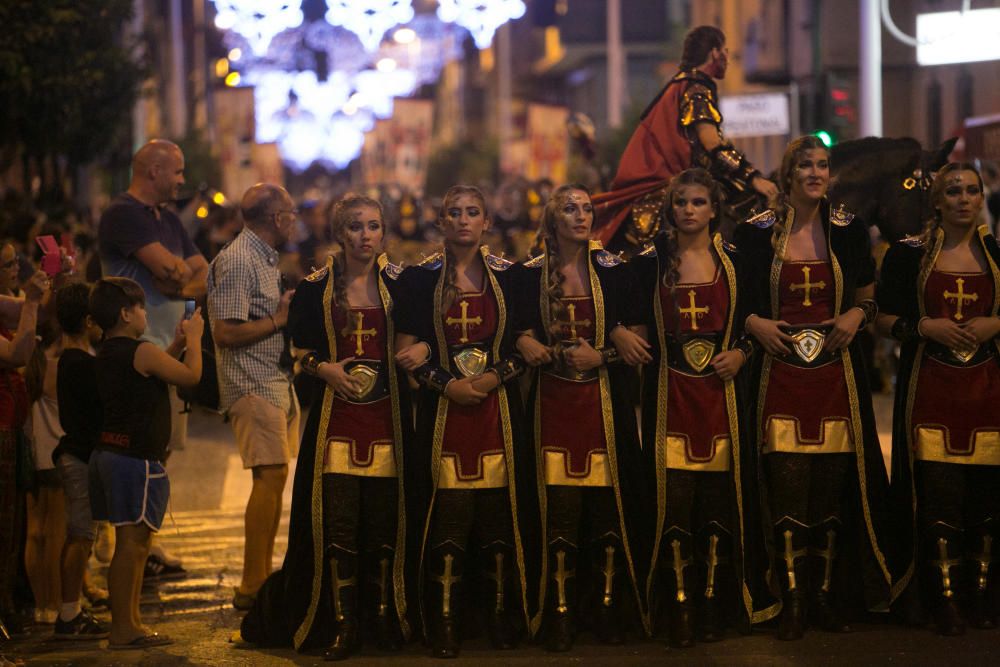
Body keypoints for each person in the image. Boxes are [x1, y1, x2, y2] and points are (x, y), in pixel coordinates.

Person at [734, 135, 903, 640]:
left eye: (822, 165)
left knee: (830, 494)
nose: (814, 173)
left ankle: (825, 596)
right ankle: (790, 599)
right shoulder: (754, 234)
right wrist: (754, 322)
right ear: (787, 175)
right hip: (777, 374)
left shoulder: (849, 231)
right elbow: (735, 299)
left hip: (835, 376)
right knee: (786, 490)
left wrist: (856, 312)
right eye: (804, 165)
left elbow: (869, 298)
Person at [240, 196, 413, 660]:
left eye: (373, 226)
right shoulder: (315, 288)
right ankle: (342, 624)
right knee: (337, 528)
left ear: (383, 232)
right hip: (337, 421)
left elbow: (422, 342)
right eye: (355, 226)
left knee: (383, 525)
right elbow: (298, 350)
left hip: (389, 420)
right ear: (340, 232)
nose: (365, 235)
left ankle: (382, 620)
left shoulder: (403, 284)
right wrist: (325, 370)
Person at [630, 168, 776, 647]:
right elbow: (621, 313)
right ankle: (679, 606)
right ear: (671, 210)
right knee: (674, 503)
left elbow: (757, 323)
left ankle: (715, 602)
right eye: (681, 203)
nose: (689, 210)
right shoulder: (649, 262)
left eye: (697, 202)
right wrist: (616, 334)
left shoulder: (738, 263)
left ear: (714, 209)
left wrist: (742, 353)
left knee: (718, 504)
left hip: (722, 397)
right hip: (669, 395)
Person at [393, 185, 539, 658]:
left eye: (472, 213)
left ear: (486, 223)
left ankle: (499, 615)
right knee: (447, 518)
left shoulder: (512, 278)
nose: (462, 220)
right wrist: (444, 382)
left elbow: (525, 347)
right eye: (453, 212)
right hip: (443, 414)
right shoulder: (419, 280)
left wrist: (497, 376)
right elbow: (407, 352)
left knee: (498, 517)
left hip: (498, 412)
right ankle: (445, 620)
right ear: (441, 221)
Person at [514, 184, 650, 651]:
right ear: (552, 219)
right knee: (559, 515)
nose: (581, 216)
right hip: (549, 411)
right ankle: (559, 611)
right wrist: (522, 341)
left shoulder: (615, 272)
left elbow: (638, 344)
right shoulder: (526, 275)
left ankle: (608, 609)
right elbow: (512, 333)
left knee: (606, 513)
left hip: (604, 411)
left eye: (587, 209)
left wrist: (605, 354)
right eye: (570, 209)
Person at [876, 163, 1000, 635]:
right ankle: (942, 598)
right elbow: (883, 319)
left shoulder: (996, 253)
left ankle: (983, 593)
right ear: (937, 201)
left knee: (987, 500)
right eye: (954, 191)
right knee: (938, 497)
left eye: (972, 190)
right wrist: (923, 326)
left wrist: (997, 322)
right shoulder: (909, 256)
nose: (964, 199)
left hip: (989, 391)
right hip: (930, 390)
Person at [98, 139, 207, 578]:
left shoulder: (169, 220)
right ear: (154, 171)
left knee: (161, 453)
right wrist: (179, 275)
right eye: (177, 172)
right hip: (134, 356)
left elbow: (200, 273)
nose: (182, 181)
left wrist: (178, 283)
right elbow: (173, 270)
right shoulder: (124, 215)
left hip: (169, 350)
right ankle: (117, 548)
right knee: (133, 454)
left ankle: (147, 545)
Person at [88, 277, 202, 648]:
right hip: (134, 458)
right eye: (139, 308)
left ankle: (131, 622)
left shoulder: (110, 350)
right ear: (125, 313)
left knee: (134, 543)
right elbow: (191, 376)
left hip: (112, 454)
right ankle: (123, 628)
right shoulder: (141, 350)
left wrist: (178, 344)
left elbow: (152, 370)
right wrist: (197, 340)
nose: (144, 314)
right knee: (131, 544)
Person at [593, 25, 778, 250]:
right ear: (714, 53)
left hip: (666, 180)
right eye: (725, 50)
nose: (727, 57)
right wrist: (753, 177)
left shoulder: (680, 85)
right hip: (672, 180)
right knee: (751, 210)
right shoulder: (697, 89)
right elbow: (712, 144)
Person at [207, 184, 299, 611]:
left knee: (275, 477)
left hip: (273, 380)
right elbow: (225, 332)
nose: (295, 219)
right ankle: (251, 581)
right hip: (251, 382)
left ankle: (261, 574)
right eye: (290, 213)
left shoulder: (262, 256)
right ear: (276, 218)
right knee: (268, 476)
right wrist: (279, 320)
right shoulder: (239, 259)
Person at [52, 282, 110, 639]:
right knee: (79, 535)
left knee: (82, 535)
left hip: (78, 455)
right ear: (89, 321)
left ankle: (71, 610)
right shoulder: (80, 363)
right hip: (79, 458)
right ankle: (69, 614)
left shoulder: (72, 360)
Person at [0, 271, 49, 636]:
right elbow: (18, 352)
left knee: (12, 526)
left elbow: (24, 309)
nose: (13, 269)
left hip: (11, 429)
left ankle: (7, 605)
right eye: (6, 263)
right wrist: (32, 302)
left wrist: (46, 291)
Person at [23, 321, 66, 625]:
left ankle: (40, 605)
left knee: (35, 532)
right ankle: (54, 602)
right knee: (55, 536)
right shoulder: (57, 369)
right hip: (56, 458)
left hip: (31, 459)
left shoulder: (28, 368)